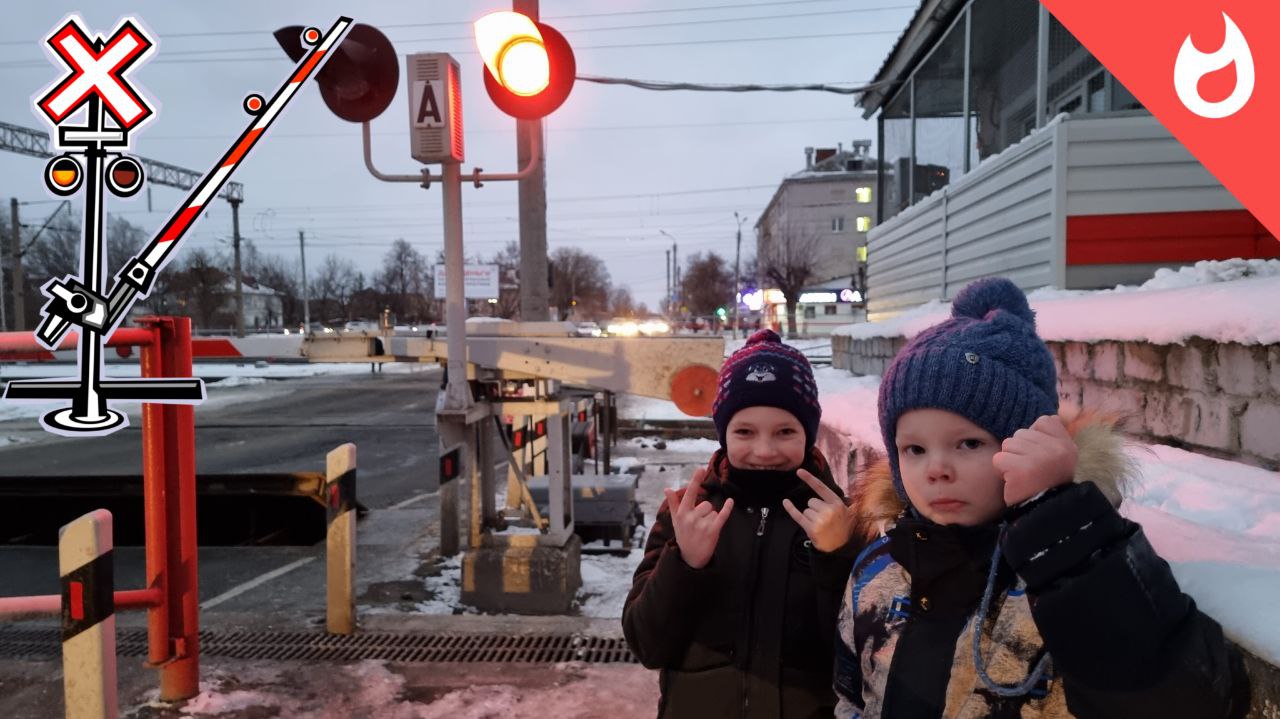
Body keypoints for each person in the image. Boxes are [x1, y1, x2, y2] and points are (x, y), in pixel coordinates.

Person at [834, 277, 1249, 717]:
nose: (936, 469)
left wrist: (1061, 523)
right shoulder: (879, 565)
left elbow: (1180, 699)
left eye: (969, 443)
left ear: (1030, 444)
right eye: (914, 449)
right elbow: (852, 697)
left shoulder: (1068, 568)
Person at [623, 329, 860, 718]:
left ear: (808, 433)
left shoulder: (840, 522)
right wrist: (684, 564)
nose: (764, 451)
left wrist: (838, 557)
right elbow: (647, 646)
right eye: (744, 432)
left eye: (785, 431)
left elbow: (858, 661)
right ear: (723, 433)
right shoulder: (688, 514)